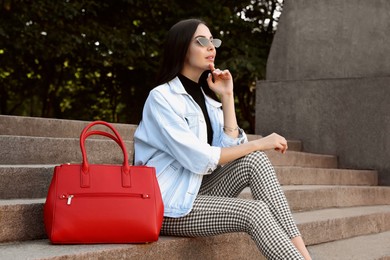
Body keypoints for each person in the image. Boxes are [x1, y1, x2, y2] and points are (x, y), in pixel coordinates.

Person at [134, 18, 312, 260]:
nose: (211, 47)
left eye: (213, 41)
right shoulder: (162, 98)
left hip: (198, 191)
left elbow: (228, 152)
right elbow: (199, 159)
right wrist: (259, 142)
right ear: (181, 47)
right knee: (255, 210)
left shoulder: (208, 101)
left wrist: (227, 97)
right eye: (202, 41)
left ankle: (305, 257)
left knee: (255, 160)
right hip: (168, 205)